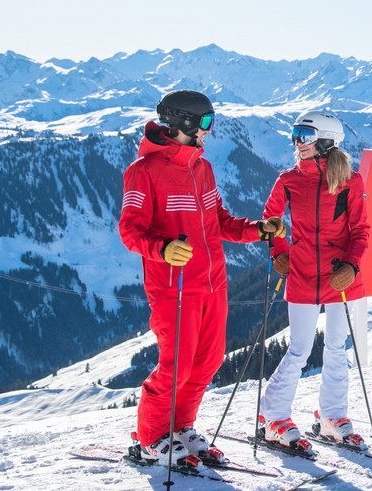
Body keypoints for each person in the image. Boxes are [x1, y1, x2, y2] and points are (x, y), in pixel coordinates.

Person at [119, 89, 286, 465]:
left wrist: (257, 229)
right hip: (174, 288)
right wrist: (162, 249)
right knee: (175, 365)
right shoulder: (142, 172)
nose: (209, 131)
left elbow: (219, 221)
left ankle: (180, 426)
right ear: (185, 123)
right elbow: (129, 230)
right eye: (207, 122)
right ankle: (151, 436)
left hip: (214, 282)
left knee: (207, 362)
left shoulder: (201, 168)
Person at [257, 110, 370, 451]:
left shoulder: (351, 181)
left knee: (337, 348)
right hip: (304, 273)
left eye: (304, 136)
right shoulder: (289, 180)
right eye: (294, 134)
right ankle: (273, 416)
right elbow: (271, 218)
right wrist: (278, 251)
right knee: (300, 349)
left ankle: (333, 417)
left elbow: (361, 231)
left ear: (325, 142)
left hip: (340, 278)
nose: (296, 142)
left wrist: (352, 265)